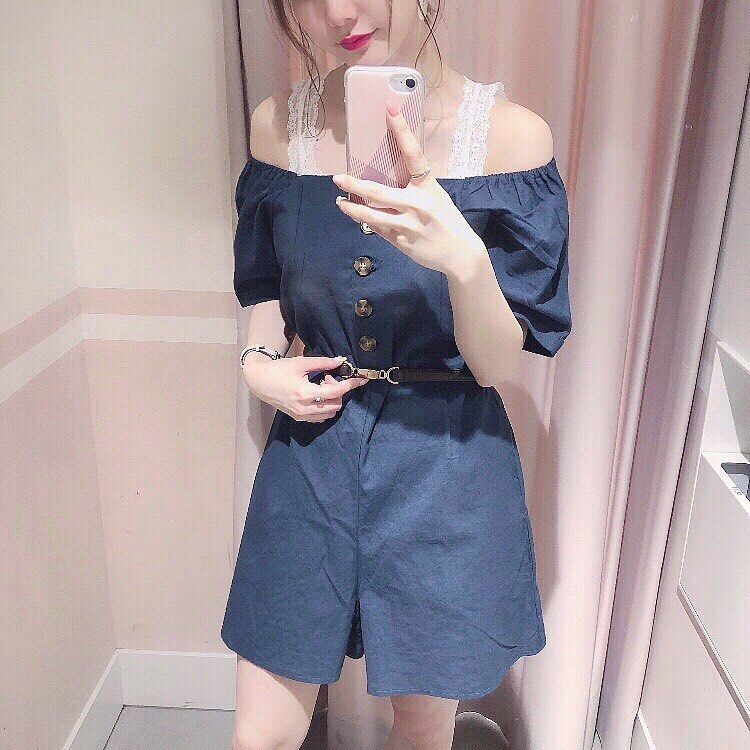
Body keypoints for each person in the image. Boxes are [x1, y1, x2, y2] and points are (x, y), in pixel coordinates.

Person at [221, 1, 572, 748]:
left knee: (419, 731)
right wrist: (259, 368)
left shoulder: (511, 141)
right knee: (260, 736)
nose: (336, 12)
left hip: (444, 466)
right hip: (309, 458)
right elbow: (262, 286)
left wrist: (465, 261)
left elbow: (497, 363)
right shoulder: (277, 128)